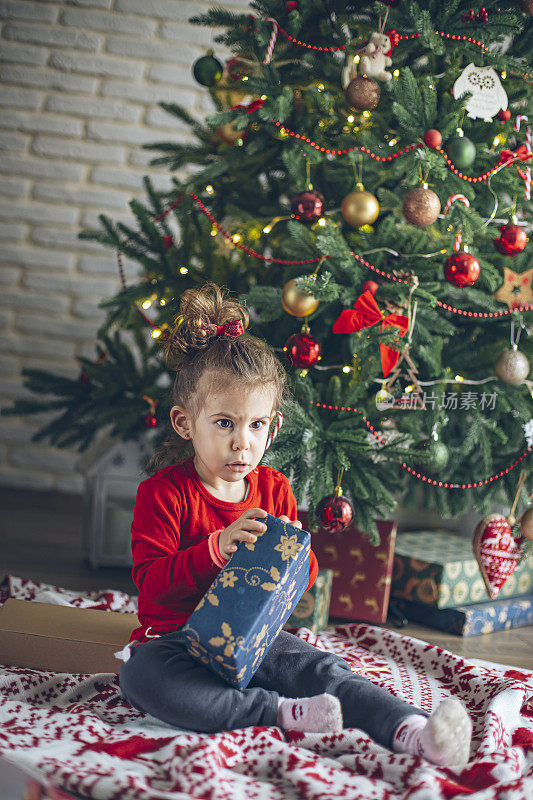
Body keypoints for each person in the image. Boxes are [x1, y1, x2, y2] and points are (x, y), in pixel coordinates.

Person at [119, 283, 472, 767]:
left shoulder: (274, 489)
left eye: (257, 425)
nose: (243, 443)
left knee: (321, 667)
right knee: (141, 680)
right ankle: (279, 712)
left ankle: (410, 729)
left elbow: (301, 579)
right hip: (177, 640)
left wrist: (287, 557)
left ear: (274, 426)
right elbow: (152, 588)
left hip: (253, 638)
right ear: (185, 423)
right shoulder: (163, 494)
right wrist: (218, 548)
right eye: (224, 423)